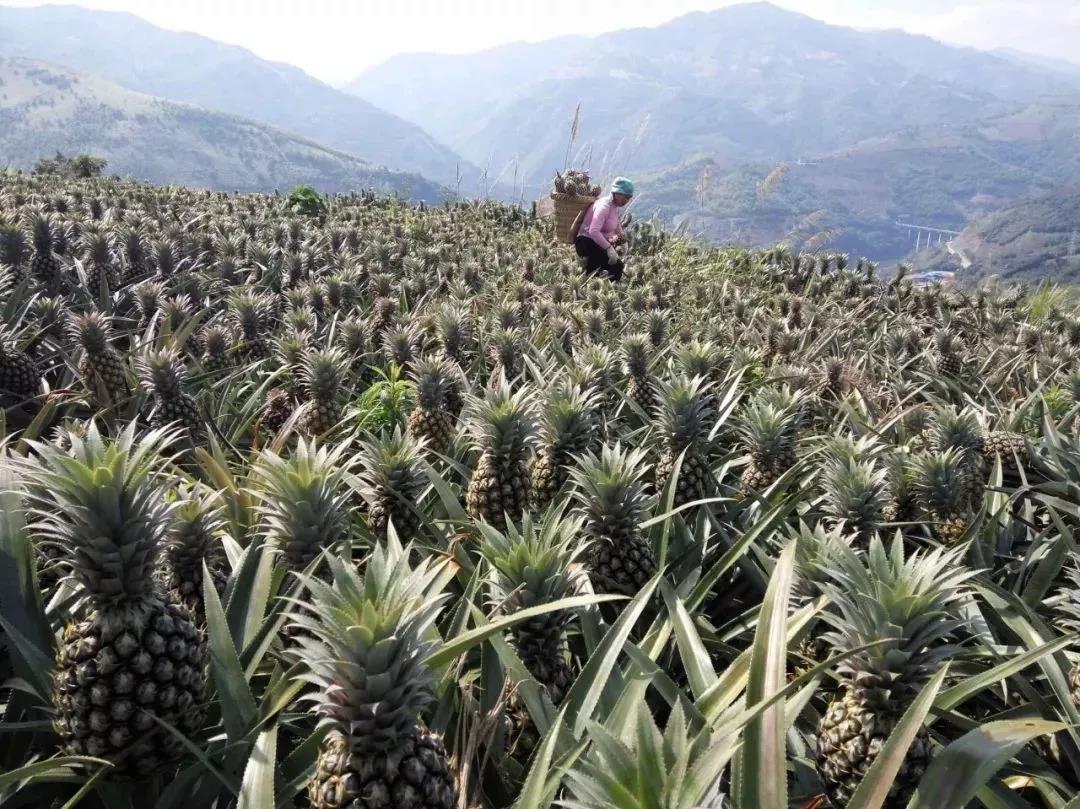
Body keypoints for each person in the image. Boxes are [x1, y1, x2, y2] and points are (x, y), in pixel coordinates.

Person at [574, 177, 634, 281]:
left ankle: (599, 285)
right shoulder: (604, 206)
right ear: (617, 193)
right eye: (626, 196)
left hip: (597, 243)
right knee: (615, 267)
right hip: (586, 242)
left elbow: (617, 225)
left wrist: (623, 241)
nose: (627, 200)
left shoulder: (614, 207)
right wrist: (609, 248)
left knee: (615, 266)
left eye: (630, 197)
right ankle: (593, 286)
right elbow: (593, 231)